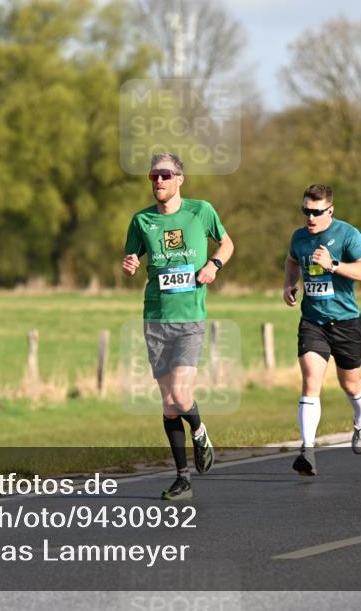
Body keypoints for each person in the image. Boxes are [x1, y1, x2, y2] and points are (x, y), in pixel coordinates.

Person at [122, 152, 234, 500]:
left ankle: (199, 431)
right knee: (169, 403)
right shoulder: (141, 221)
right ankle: (182, 477)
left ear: (180, 179)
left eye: (165, 175)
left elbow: (227, 243)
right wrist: (128, 263)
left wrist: (214, 265)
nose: (159, 181)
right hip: (155, 318)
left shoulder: (201, 211)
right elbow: (132, 257)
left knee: (182, 395)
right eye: (153, 176)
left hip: (189, 318)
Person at [282, 184, 361, 476]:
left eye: (316, 212)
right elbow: (292, 261)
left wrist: (333, 264)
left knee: (350, 384)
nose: (310, 217)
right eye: (306, 211)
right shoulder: (299, 237)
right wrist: (288, 283)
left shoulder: (348, 234)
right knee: (311, 382)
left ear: (330, 211)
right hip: (313, 321)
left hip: (346, 321)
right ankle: (307, 451)